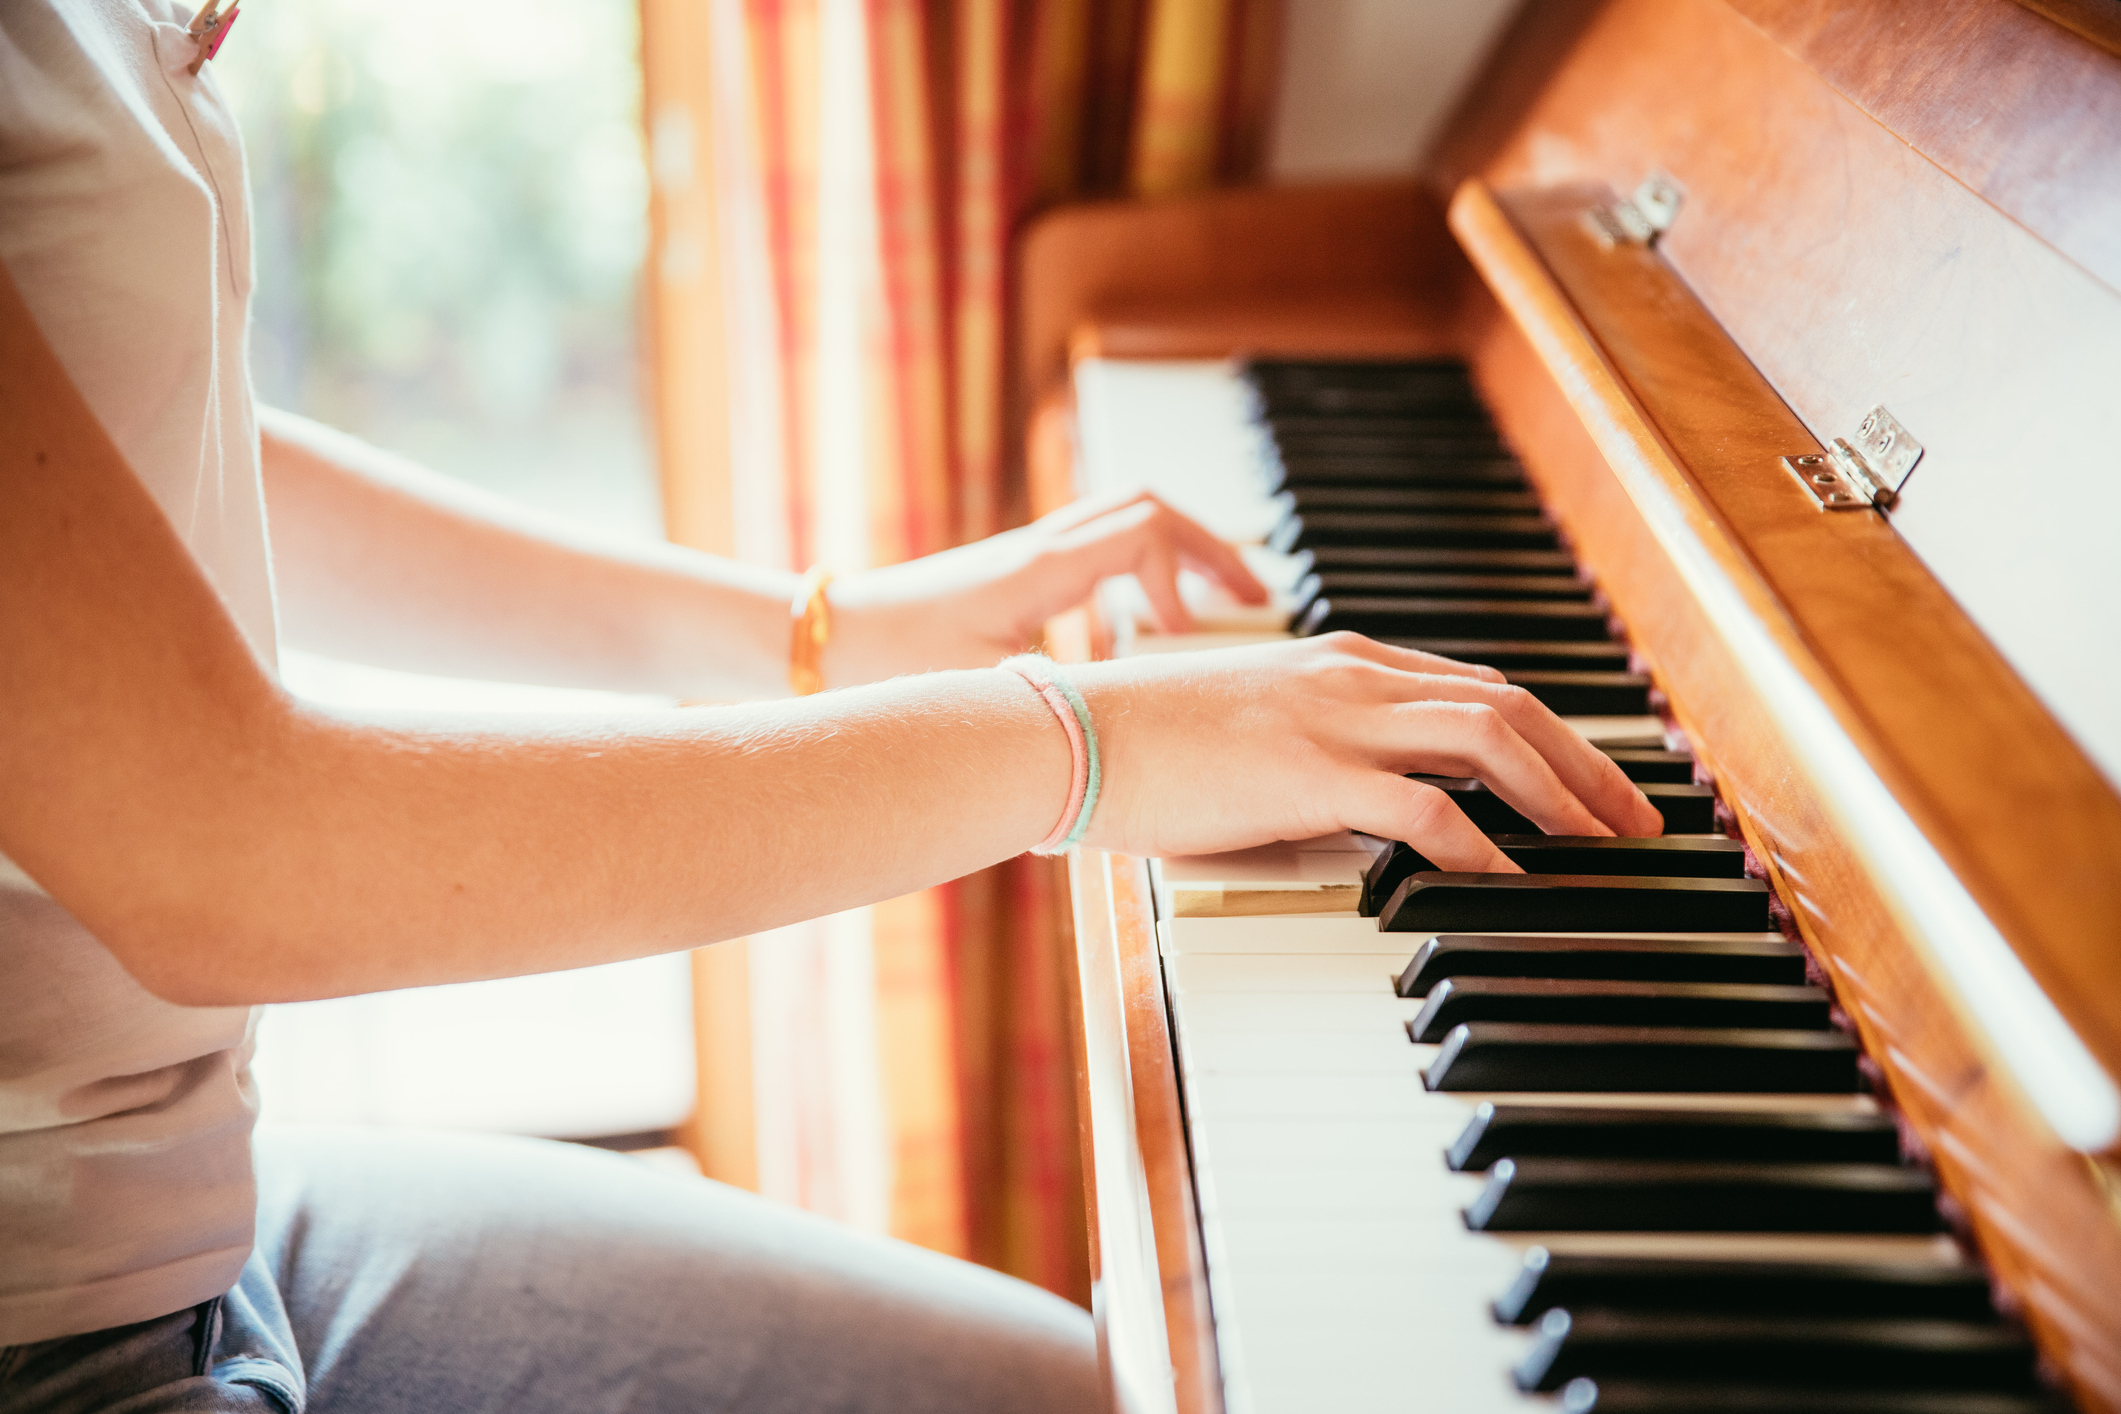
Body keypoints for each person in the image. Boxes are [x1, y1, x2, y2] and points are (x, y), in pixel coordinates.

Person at [0, 1, 1661, 1410]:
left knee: (1097, 1389)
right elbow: (237, 856)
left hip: (196, 1216)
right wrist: (1083, 740)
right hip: (61, 1329)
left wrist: (814, 628)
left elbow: (133, 465)